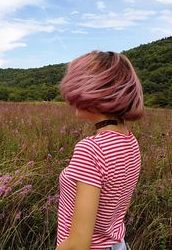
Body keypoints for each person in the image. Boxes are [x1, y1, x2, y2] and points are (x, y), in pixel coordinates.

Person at [56, 50, 144, 250]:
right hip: (118, 244)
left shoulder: (91, 149)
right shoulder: (130, 141)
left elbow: (79, 244)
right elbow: (118, 207)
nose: (70, 99)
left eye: (77, 89)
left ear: (97, 92)